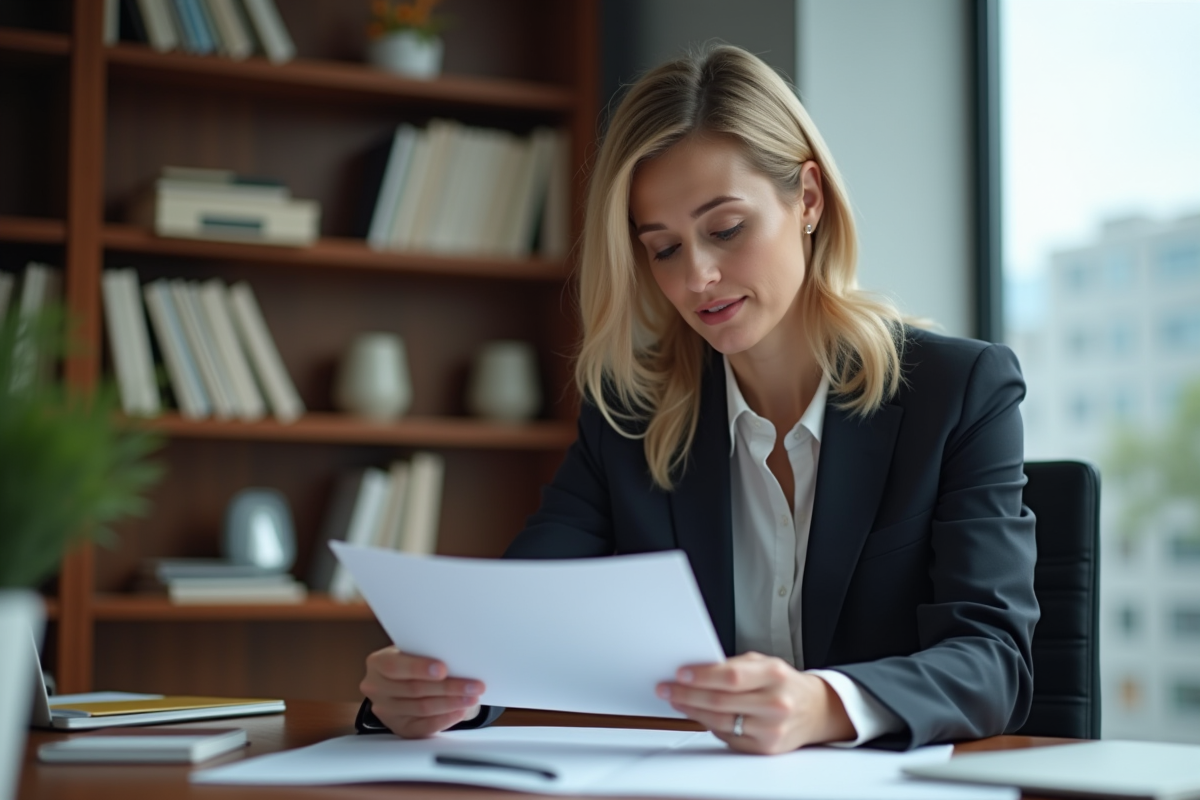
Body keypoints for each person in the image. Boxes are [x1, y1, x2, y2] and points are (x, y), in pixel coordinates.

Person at [357, 44, 1038, 754]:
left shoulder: (958, 392)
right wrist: (430, 690)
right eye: (664, 248)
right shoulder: (631, 415)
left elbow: (993, 660)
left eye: (725, 230)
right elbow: (511, 624)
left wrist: (824, 704)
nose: (697, 278)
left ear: (808, 199)